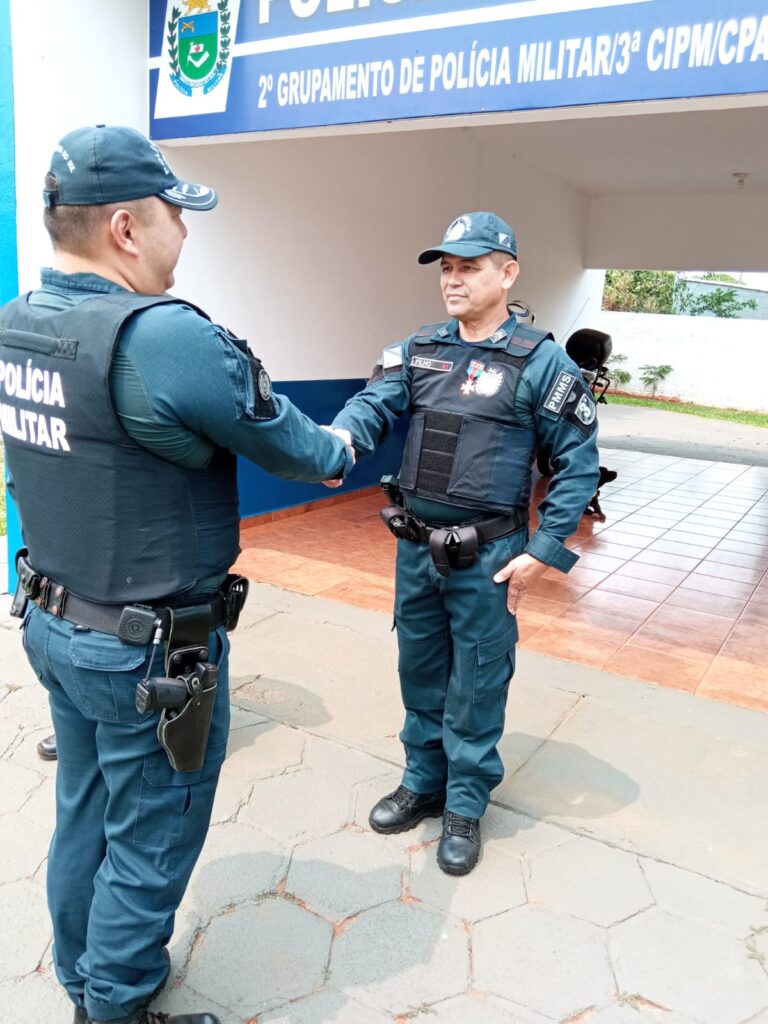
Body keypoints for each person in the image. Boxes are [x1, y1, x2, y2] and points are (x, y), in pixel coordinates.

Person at [0, 125, 353, 1024]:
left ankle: (84, 974)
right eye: (174, 215)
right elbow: (307, 452)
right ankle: (111, 1007)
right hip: (150, 659)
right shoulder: (160, 337)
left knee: (84, 809)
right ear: (125, 227)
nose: (183, 234)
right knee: (151, 837)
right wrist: (350, 437)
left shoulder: (18, 325)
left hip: (55, 620)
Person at [327, 212, 600, 875]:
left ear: (507, 273)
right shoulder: (419, 349)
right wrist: (341, 438)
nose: (453, 279)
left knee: (476, 682)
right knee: (419, 670)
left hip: (490, 559)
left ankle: (466, 804)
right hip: (417, 551)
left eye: (468, 266)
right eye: (446, 267)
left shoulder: (540, 362)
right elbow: (374, 403)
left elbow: (579, 461)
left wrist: (545, 549)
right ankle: (423, 781)